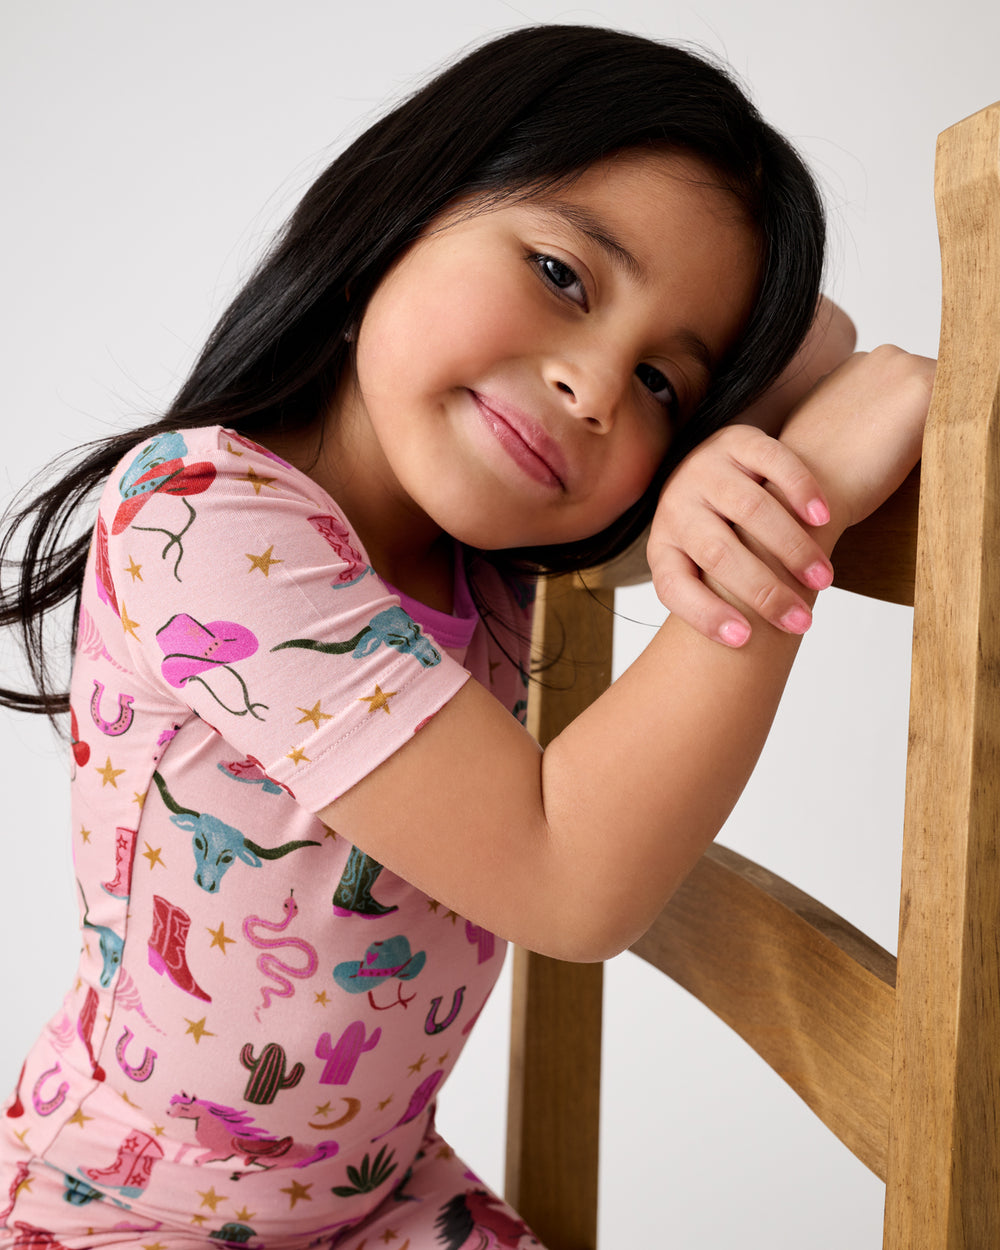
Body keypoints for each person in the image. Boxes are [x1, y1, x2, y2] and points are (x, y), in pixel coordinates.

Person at [0, 24, 930, 1250]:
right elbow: (566, 879)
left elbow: (817, 344)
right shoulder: (202, 514)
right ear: (396, 211)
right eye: (561, 274)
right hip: (128, 1214)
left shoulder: (482, 556)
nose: (595, 387)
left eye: (662, 385)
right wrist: (793, 505)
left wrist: (744, 443)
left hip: (383, 1198)